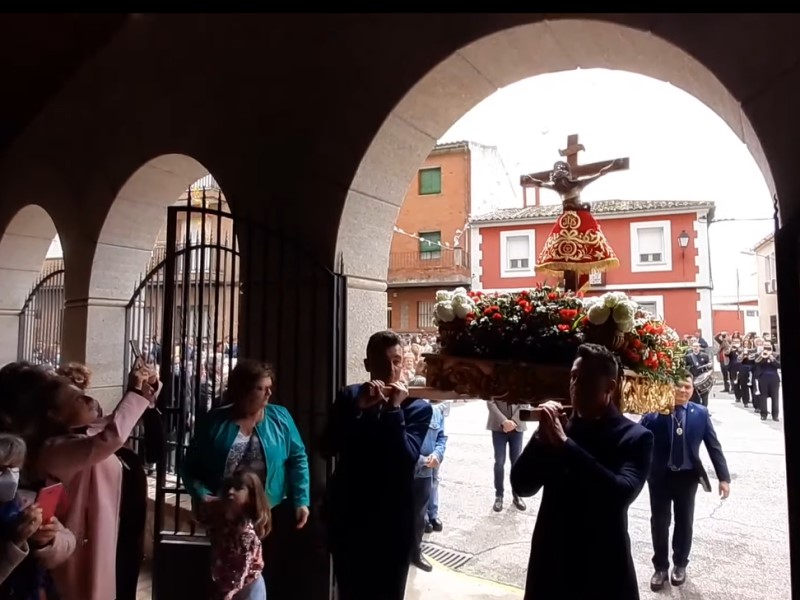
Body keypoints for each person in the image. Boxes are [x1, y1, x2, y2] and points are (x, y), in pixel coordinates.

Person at [510, 343, 653, 600]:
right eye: (573, 377)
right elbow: (522, 485)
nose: (575, 385)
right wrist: (541, 438)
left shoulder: (635, 437)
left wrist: (565, 445)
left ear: (609, 387)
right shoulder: (559, 428)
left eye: (585, 379)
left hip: (602, 569)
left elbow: (619, 495)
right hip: (551, 565)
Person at [30, 360, 159, 600]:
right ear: (55, 415)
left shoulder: (88, 432)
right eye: (77, 399)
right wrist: (134, 392)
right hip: (83, 544)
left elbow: (115, 422)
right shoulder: (56, 448)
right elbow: (111, 436)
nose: (89, 399)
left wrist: (144, 388)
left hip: (114, 536)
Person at [182, 360, 310, 600]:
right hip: (226, 516)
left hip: (269, 512)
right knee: (228, 576)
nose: (269, 393)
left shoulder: (280, 417)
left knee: (265, 573)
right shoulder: (215, 422)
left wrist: (302, 500)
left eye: (270, 387)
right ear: (243, 390)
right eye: (261, 388)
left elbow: (298, 457)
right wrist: (203, 495)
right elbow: (190, 467)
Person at [323, 329, 433, 600]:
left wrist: (394, 410)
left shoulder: (417, 407)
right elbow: (326, 447)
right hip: (350, 516)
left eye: (396, 361)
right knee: (350, 591)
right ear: (367, 365)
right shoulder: (350, 396)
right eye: (383, 362)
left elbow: (405, 458)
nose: (391, 370)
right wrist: (357, 410)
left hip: (392, 521)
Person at [640, 376, 731, 590]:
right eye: (678, 386)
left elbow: (713, 446)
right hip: (660, 477)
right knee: (659, 522)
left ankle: (680, 564)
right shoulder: (655, 411)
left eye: (687, 387)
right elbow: (638, 438)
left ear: (693, 389)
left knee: (684, 521)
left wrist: (724, 478)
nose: (683, 390)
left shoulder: (700, 413)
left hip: (687, 477)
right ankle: (660, 567)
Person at [0, 433, 75, 595]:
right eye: (1, 470)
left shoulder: (24, 502)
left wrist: (47, 539)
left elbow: (68, 542)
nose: (10, 476)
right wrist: (16, 541)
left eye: (14, 467)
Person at [199, 470, 271, 600]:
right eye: (229, 487)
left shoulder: (246, 533)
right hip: (225, 584)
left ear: (251, 497)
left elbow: (242, 569)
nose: (231, 491)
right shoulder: (225, 520)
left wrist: (229, 592)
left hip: (246, 589)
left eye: (238, 488)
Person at [410, 400, 447, 572]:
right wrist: (422, 461)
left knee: (419, 518)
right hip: (405, 471)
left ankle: (416, 553)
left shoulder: (436, 411)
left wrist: (437, 455)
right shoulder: (406, 408)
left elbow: (441, 437)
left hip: (425, 473)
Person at [486, 399, 527, 513]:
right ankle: (499, 495)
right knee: (499, 462)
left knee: (516, 462)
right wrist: (504, 421)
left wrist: (514, 421)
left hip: (517, 427)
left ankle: (517, 494)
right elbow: (490, 402)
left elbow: (525, 402)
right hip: (498, 427)